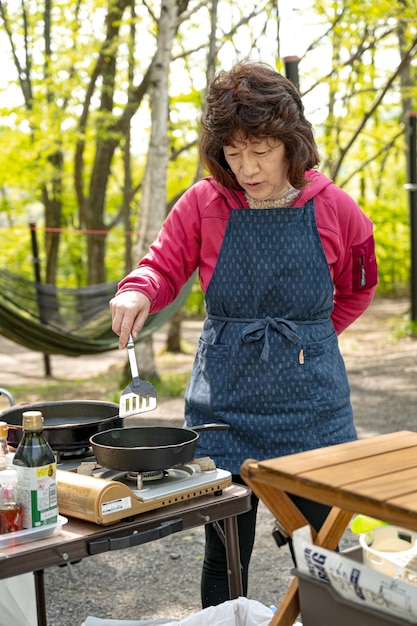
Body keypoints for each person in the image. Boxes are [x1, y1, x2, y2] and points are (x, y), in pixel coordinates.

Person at [110, 59, 378, 607]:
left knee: (318, 546)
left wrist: (315, 336)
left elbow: (359, 284)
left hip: (313, 408)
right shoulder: (205, 202)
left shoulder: (336, 208)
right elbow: (162, 264)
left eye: (260, 150)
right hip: (224, 406)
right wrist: (139, 289)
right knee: (225, 549)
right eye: (233, 153)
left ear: (291, 143)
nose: (247, 168)